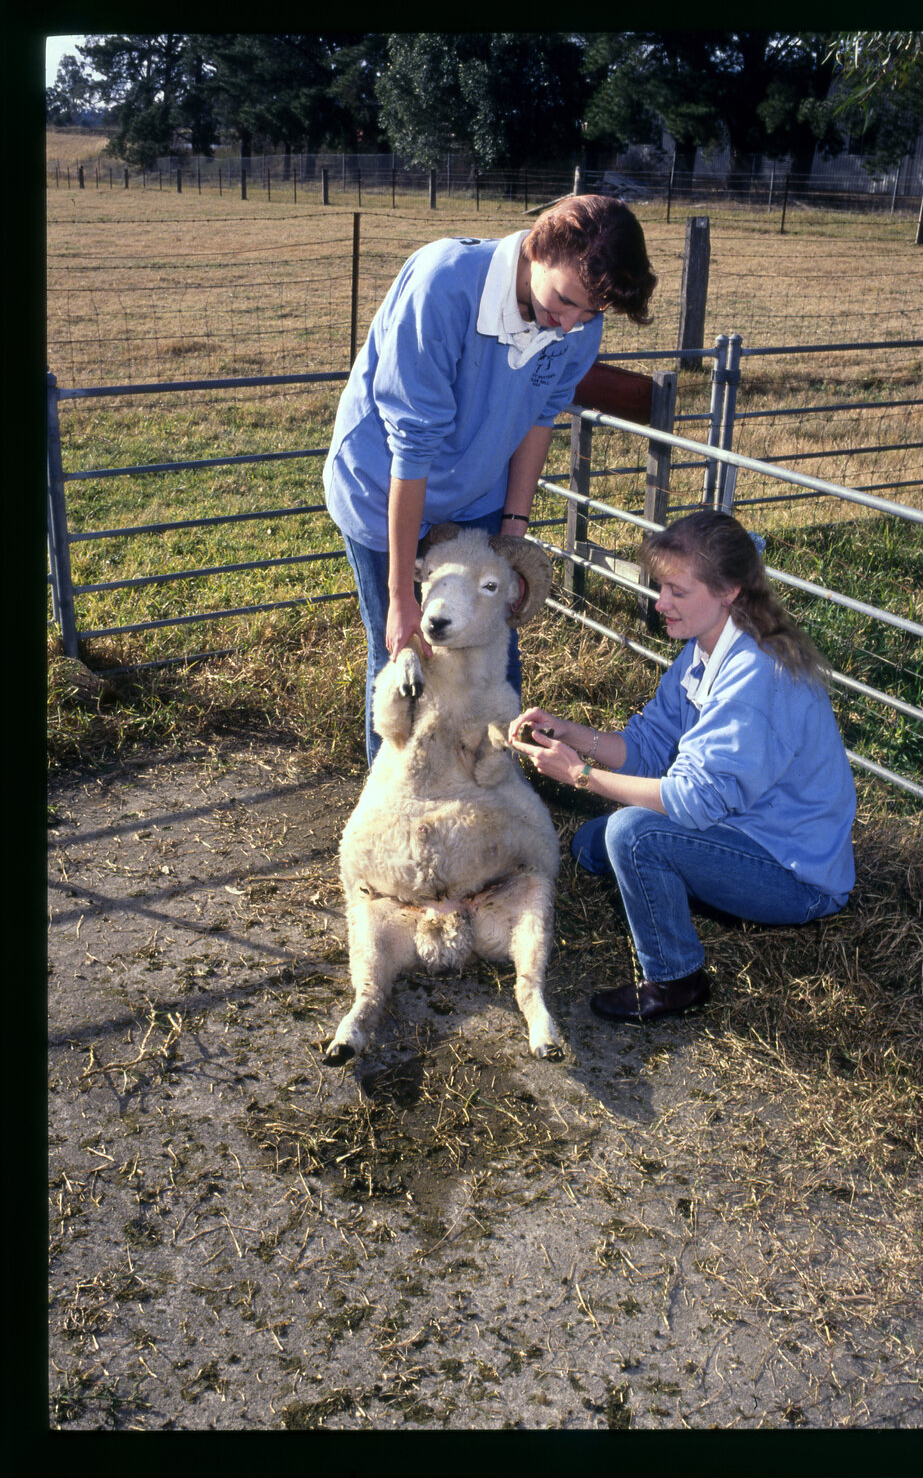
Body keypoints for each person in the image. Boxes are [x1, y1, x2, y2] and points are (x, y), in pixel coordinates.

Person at [323, 194, 657, 764]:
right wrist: (401, 595)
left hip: (475, 487)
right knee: (404, 651)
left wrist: (511, 536)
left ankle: (494, 789)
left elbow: (539, 416)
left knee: (489, 644)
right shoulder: (444, 285)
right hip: (385, 486)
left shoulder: (577, 321)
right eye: (565, 302)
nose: (571, 324)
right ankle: (398, 800)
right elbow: (412, 444)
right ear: (537, 249)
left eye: (589, 314)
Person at [509, 509, 856, 1023]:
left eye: (676, 591)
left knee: (632, 835)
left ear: (729, 591)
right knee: (590, 845)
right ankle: (690, 885)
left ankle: (675, 980)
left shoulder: (756, 675)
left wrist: (580, 775)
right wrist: (571, 733)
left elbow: (691, 802)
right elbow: (648, 746)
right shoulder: (706, 646)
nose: (659, 603)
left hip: (793, 873)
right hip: (737, 825)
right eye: (660, 587)